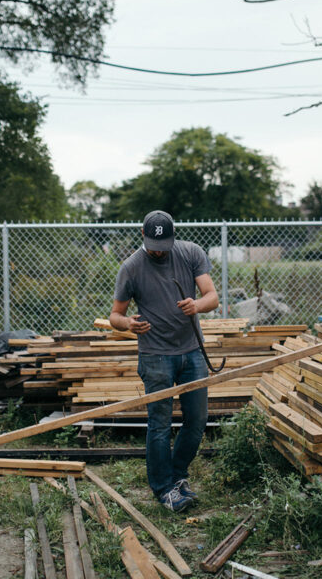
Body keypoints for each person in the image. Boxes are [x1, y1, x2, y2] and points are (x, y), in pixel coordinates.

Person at [109, 210, 219, 512]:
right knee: (159, 424)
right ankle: (163, 489)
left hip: (192, 351)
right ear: (143, 237)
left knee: (196, 421)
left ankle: (177, 477)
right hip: (155, 355)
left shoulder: (190, 253)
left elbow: (212, 296)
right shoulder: (131, 267)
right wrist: (128, 324)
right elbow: (114, 316)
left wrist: (196, 304)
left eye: (165, 244)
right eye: (154, 245)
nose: (159, 251)